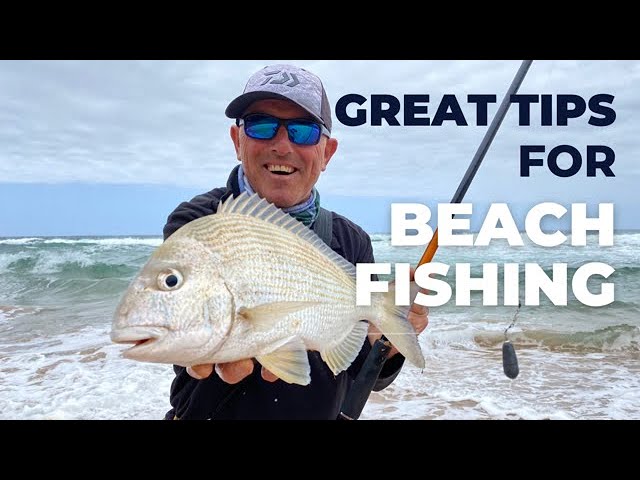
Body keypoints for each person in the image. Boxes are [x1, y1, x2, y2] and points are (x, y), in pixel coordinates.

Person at [162, 63, 428, 420]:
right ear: (237, 141)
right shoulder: (199, 223)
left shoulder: (352, 242)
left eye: (302, 131)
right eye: (261, 126)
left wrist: (386, 341)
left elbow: (362, 371)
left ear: (327, 152)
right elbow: (179, 332)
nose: (282, 145)